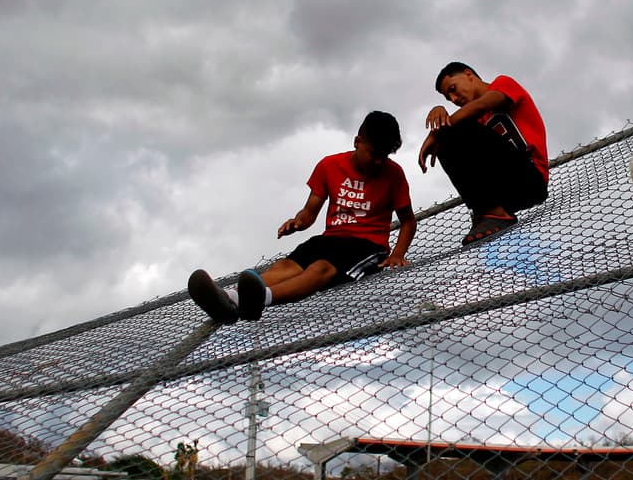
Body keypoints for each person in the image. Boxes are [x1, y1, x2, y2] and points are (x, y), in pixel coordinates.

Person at [187, 111, 416, 324]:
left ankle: (261, 299)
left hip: (367, 245)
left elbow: (407, 220)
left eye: (384, 156)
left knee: (320, 268)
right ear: (357, 142)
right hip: (330, 239)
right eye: (374, 154)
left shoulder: (393, 174)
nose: (379, 162)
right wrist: (297, 223)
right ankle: (229, 299)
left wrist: (397, 254)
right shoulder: (329, 165)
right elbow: (309, 212)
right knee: (287, 265)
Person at [419, 62, 548, 246]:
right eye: (448, 98)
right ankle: (488, 211)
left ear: (468, 74)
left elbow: (481, 105)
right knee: (447, 136)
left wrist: (436, 132)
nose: (454, 99)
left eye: (453, 89)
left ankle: (494, 212)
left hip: (530, 180)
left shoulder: (503, 84)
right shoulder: (472, 120)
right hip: (505, 193)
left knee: (452, 129)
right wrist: (439, 112)